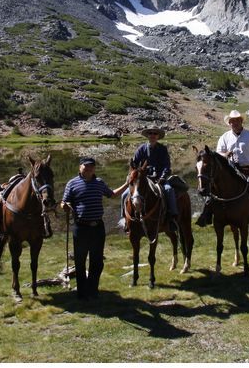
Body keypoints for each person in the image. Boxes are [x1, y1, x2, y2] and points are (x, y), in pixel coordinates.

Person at [61, 157, 127, 301]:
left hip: (98, 227)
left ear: (94, 168)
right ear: (80, 167)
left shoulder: (99, 183)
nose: (89, 169)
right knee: (80, 260)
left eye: (91, 167)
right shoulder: (72, 183)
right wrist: (64, 206)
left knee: (97, 261)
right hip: (81, 227)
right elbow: (64, 201)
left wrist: (127, 183)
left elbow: (112, 194)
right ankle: (82, 293)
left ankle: (93, 289)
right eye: (86, 166)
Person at [196, 110, 249, 229]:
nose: (234, 123)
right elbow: (218, 154)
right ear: (229, 123)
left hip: (248, 169)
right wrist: (225, 154)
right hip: (231, 170)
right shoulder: (224, 137)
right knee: (211, 189)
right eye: (232, 121)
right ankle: (206, 215)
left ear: (241, 121)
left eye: (237, 120)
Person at [119, 127, 178, 233]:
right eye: (150, 133)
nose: (152, 135)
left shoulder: (162, 149)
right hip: (143, 179)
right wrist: (133, 175)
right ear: (147, 135)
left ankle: (172, 218)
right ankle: (125, 219)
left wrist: (163, 177)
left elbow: (166, 165)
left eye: (155, 133)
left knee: (169, 190)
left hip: (159, 178)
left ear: (158, 136)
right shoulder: (141, 149)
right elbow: (134, 165)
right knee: (124, 195)